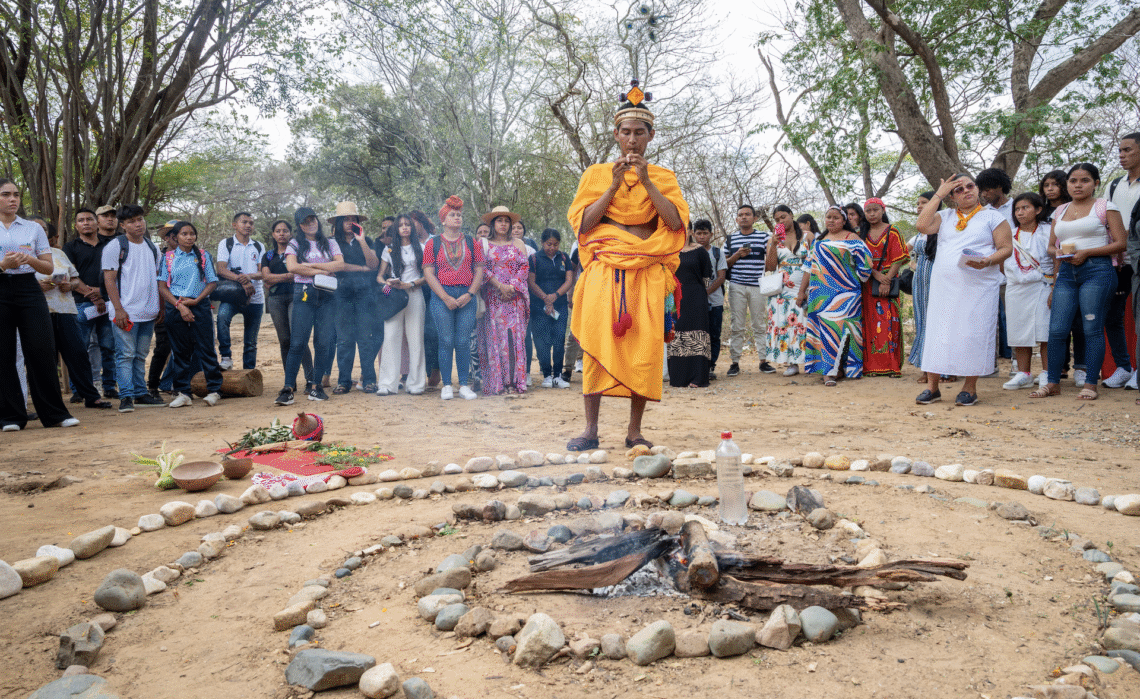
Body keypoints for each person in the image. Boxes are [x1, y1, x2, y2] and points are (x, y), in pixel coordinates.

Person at [564, 82, 688, 450]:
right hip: (605, 271)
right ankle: (590, 431)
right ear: (616, 135)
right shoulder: (596, 174)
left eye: (639, 133)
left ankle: (634, 432)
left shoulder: (664, 177)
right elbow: (584, 225)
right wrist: (613, 185)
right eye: (626, 133)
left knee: (644, 350)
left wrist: (647, 181)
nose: (632, 140)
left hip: (647, 271)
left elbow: (676, 225)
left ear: (651, 136)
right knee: (595, 347)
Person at [915, 174, 1013, 406]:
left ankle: (969, 388)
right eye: (958, 190)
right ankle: (933, 387)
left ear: (977, 189)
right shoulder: (945, 216)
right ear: (952, 196)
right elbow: (921, 225)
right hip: (944, 286)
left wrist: (988, 260)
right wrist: (938, 194)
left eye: (970, 186)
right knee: (939, 332)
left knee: (972, 333)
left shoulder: (993, 217)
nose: (966, 191)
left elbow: (1006, 248)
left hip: (978, 285)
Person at [1032, 163, 1127, 400]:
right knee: (1057, 330)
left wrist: (1087, 252)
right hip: (1065, 273)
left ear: (1095, 183)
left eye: (1084, 180)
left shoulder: (1105, 206)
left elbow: (1120, 243)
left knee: (1092, 329)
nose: (1077, 185)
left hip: (1097, 271)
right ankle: (1053, 382)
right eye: (1073, 181)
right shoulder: (1060, 210)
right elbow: (1051, 247)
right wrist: (1060, 256)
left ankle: (1090, 384)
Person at [0, 180, 80, 430]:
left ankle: (55, 414)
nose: (13, 199)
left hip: (28, 288)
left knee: (41, 349)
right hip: (0, 287)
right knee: (3, 353)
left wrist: (29, 260)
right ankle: (11, 417)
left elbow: (48, 266)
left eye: (16, 195)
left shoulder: (32, 229)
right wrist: (4, 265)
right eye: (5, 195)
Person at [34, 219, 111, 409]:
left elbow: (75, 279)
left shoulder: (58, 253)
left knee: (78, 354)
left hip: (66, 310)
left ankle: (91, 397)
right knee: (46, 360)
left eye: (43, 229)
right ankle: (51, 402)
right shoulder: (22, 255)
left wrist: (71, 285)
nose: (39, 232)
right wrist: (36, 288)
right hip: (38, 313)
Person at [795, 206, 872, 386]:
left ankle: (843, 368)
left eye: (836, 217)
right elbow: (808, 268)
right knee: (824, 333)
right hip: (820, 295)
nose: (831, 220)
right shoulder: (819, 241)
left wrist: (856, 279)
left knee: (844, 332)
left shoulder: (852, 239)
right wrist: (801, 292)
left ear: (844, 220)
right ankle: (828, 372)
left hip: (846, 294)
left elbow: (866, 264)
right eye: (828, 217)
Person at [275, 207, 344, 405]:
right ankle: (288, 388)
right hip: (304, 293)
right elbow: (292, 267)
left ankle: (316, 386)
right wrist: (322, 269)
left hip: (327, 296)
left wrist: (310, 268)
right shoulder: (295, 243)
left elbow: (339, 264)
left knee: (323, 342)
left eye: (313, 219)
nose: (311, 223)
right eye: (305, 221)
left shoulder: (330, 242)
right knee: (298, 342)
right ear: (300, 226)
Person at [102, 204, 164, 412]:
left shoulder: (152, 247)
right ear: (122, 225)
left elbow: (158, 280)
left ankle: (140, 393)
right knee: (125, 354)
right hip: (126, 312)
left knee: (140, 354)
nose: (138, 224)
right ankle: (126, 396)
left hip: (148, 312)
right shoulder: (115, 246)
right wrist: (118, 309)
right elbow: (109, 280)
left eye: (140, 219)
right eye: (131, 221)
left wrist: (160, 308)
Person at [423, 196, 484, 400]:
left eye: (459, 215)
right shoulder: (433, 243)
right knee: (446, 340)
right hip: (442, 296)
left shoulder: (471, 241)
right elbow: (429, 273)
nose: (457, 218)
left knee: (463, 340)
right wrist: (445, 297)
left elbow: (479, 270)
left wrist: (470, 294)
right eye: (452, 215)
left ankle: (464, 384)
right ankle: (447, 385)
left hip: (467, 295)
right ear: (443, 220)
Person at [157, 222, 223, 407]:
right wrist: (180, 305)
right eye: (184, 234)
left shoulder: (203, 256)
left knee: (206, 348)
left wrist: (195, 301)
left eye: (192, 233)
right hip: (175, 306)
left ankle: (214, 390)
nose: (189, 237)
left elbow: (212, 282)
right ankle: (183, 392)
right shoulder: (168, 257)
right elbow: (162, 286)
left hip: (199, 304)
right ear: (175, 237)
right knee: (180, 350)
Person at [63, 207, 118, 399]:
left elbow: (117, 272)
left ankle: (110, 386)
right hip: (82, 303)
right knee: (80, 348)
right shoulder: (70, 247)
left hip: (110, 302)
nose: (85, 223)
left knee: (109, 347)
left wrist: (102, 293)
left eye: (89, 219)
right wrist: (92, 295)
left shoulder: (110, 244)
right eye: (81, 220)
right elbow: (71, 276)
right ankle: (79, 390)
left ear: (97, 223)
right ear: (76, 226)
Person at [328, 201, 380, 394]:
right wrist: (360, 268)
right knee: (344, 339)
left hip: (365, 292)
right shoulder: (331, 242)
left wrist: (362, 240)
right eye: (346, 219)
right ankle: (343, 381)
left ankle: (369, 380)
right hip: (341, 292)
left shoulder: (367, 241)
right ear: (339, 222)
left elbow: (373, 264)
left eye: (353, 219)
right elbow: (337, 266)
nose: (350, 222)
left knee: (365, 337)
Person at [478, 206, 530, 395]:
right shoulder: (484, 243)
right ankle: (499, 383)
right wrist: (500, 286)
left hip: (514, 298)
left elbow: (524, 267)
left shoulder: (518, 243)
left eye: (506, 221)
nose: (503, 224)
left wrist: (512, 286)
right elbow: (482, 268)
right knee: (496, 339)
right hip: (494, 297)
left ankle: (514, 383)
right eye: (499, 220)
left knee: (513, 339)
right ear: (492, 223)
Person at [1002, 193, 1051, 390]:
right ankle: (1024, 373)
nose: (1020, 212)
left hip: (1043, 285)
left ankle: (1048, 373)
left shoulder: (1047, 231)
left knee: (1045, 330)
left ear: (1038, 210)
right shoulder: (1010, 234)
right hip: (1016, 287)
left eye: (1025, 208)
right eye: (1017, 209)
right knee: (1018, 330)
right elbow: (1001, 260)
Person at [1038, 169, 1082, 382]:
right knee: (1057, 321)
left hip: (1077, 262)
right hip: (1048, 266)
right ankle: (1061, 366)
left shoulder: (1074, 209)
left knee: (1079, 321)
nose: (1050, 189)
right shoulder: (1040, 213)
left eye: (1055, 184)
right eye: (1046, 185)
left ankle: (1081, 367)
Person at [377, 213, 428, 395]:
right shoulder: (389, 249)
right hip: (395, 297)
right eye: (401, 225)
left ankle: (416, 384)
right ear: (396, 229)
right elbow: (379, 276)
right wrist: (388, 283)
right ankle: (387, 384)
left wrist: (411, 284)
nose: (405, 227)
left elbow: (428, 275)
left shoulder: (421, 247)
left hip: (415, 293)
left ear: (412, 228)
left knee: (416, 339)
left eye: (408, 225)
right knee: (390, 337)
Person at [722, 204, 773, 376]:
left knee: (759, 324)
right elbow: (723, 264)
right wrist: (737, 255)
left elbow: (772, 260)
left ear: (755, 218)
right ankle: (734, 363)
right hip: (736, 286)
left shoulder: (764, 237)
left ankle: (763, 361)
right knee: (737, 325)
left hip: (758, 286)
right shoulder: (730, 239)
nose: (744, 217)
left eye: (747, 214)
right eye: (740, 215)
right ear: (736, 219)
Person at [261, 219, 312, 392]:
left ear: (291, 233)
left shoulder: (298, 251)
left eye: (285, 230)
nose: (281, 233)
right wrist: (290, 275)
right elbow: (266, 278)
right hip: (275, 299)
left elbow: (299, 272)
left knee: (298, 338)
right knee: (284, 340)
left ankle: (310, 379)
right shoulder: (268, 255)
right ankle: (290, 383)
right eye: (278, 230)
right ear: (273, 234)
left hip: (297, 296)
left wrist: (278, 277)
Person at [860, 197, 909, 377]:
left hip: (889, 280)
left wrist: (886, 280)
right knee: (870, 323)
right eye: (868, 211)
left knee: (889, 322)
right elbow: (860, 260)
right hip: (868, 282)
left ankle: (892, 366)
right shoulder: (861, 234)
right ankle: (872, 366)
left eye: (875, 210)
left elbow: (899, 258)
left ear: (883, 210)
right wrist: (875, 275)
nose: (872, 214)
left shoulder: (893, 231)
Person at [214, 212, 264, 371]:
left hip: (256, 297)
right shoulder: (226, 243)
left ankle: (249, 372)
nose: (248, 225)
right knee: (222, 319)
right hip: (232, 296)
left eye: (251, 222)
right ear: (234, 225)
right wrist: (241, 280)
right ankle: (226, 357)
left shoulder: (259, 246)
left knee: (251, 340)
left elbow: (263, 272)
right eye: (244, 222)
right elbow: (221, 269)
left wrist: (246, 277)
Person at [977, 167, 1016, 365]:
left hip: (1016, 272)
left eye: (988, 189)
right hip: (991, 272)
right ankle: (987, 364)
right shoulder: (983, 213)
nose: (984, 194)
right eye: (981, 190)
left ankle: (1018, 365)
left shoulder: (1018, 207)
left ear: (1000, 187)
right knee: (988, 319)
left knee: (1013, 319)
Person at [1110, 133, 1140, 390]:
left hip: (1139, 257)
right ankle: (1123, 367)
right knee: (1112, 315)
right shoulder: (1115, 184)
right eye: (1119, 151)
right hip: (1118, 260)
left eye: (1127, 150)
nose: (1121, 155)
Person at [763, 215, 808, 377]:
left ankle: (808, 361)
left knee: (803, 323)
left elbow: (812, 262)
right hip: (780, 290)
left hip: (802, 286)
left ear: (791, 216)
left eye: (783, 217)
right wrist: (774, 244)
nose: (780, 221)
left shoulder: (806, 235)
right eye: (776, 219)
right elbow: (770, 266)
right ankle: (792, 363)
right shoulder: (772, 240)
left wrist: (804, 289)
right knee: (784, 323)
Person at [528, 228, 573, 388]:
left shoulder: (564, 257)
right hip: (538, 306)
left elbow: (569, 279)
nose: (552, 247)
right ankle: (547, 374)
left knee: (559, 339)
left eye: (555, 244)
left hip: (559, 305)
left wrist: (555, 295)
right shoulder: (534, 259)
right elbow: (531, 282)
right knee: (542, 341)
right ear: (542, 243)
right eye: (549, 244)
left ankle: (558, 375)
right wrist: (545, 299)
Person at [668, 230, 713, 387]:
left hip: (696, 297)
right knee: (677, 333)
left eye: (685, 227)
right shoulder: (669, 250)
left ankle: (698, 377)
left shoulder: (699, 251)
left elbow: (707, 277)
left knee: (697, 334)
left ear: (691, 231)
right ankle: (679, 378)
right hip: (674, 298)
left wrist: (697, 292)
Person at [907, 191, 941, 384]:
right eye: (918, 203)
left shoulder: (942, 227)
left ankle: (943, 369)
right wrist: (913, 264)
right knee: (922, 321)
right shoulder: (919, 233)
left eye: (924, 203)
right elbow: (902, 252)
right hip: (920, 281)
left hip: (938, 280)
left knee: (937, 322)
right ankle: (925, 367)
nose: (920, 206)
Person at [693, 220, 727, 380]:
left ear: (711, 235)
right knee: (697, 333)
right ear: (693, 234)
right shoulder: (689, 252)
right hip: (694, 302)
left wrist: (705, 292)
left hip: (715, 301)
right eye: (698, 233)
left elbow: (721, 277)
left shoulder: (717, 253)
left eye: (705, 233)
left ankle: (710, 365)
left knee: (714, 334)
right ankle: (696, 366)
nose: (701, 237)